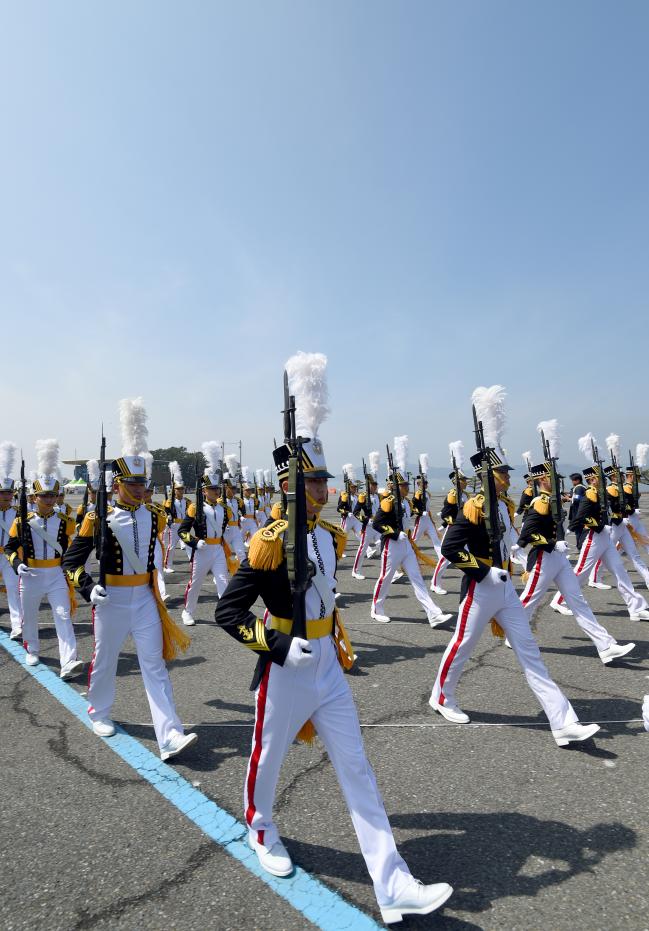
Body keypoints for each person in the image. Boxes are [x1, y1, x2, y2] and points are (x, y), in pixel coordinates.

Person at [214, 351, 453, 924]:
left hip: (327, 662)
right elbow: (228, 610)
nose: (325, 486)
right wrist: (274, 645)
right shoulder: (270, 541)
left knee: (357, 766)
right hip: (287, 661)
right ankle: (261, 826)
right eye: (316, 479)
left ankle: (391, 882)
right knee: (268, 757)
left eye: (324, 478)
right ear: (296, 483)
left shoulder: (324, 536)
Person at [429, 445, 600, 748]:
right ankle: (441, 697)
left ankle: (562, 722)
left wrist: (517, 564)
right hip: (481, 588)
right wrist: (483, 571)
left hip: (505, 587)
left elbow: (508, 543)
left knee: (530, 652)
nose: (508, 477)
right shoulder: (474, 507)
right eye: (501, 473)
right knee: (462, 645)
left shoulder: (503, 506)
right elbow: (450, 548)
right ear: (487, 476)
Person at [62, 398, 196, 762]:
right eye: (132, 483)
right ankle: (99, 712)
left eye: (143, 483)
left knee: (154, 664)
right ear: (117, 484)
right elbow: (71, 562)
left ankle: (169, 735)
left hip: (144, 598)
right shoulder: (98, 517)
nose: (140, 489)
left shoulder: (155, 516)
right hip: (111, 601)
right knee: (104, 660)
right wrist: (88, 588)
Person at [517, 458, 634, 664]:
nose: (556, 481)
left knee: (578, 601)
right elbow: (527, 534)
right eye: (552, 478)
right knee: (528, 599)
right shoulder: (540, 502)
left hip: (558, 558)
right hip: (544, 557)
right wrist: (552, 544)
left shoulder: (551, 499)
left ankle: (605, 646)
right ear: (543, 479)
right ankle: (513, 632)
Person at [6, 439, 83, 679]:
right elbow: (10, 548)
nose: (49, 499)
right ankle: (33, 648)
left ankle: (68, 661)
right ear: (34, 497)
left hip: (56, 575)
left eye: (52, 495)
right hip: (31, 575)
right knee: (29, 615)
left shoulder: (66, 521)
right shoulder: (22, 521)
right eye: (44, 495)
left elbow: (72, 547)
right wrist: (18, 565)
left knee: (63, 615)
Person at [549, 461, 649, 621]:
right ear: (593, 479)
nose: (604, 480)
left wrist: (614, 521)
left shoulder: (600, 493)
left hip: (605, 537)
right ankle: (558, 600)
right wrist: (599, 525)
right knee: (581, 571)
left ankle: (635, 607)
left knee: (620, 571)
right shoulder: (590, 494)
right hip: (594, 537)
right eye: (601, 478)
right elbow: (581, 517)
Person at [371, 446, 452, 627]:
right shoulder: (388, 502)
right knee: (385, 577)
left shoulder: (406, 502)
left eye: (407, 485)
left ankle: (433, 614)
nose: (407, 487)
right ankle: (376, 609)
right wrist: (393, 532)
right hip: (391, 545)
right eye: (404, 485)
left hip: (405, 545)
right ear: (396, 487)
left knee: (417, 579)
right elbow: (377, 524)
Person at [179, 441, 230, 625]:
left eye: (217, 489)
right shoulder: (195, 507)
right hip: (201, 549)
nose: (215, 492)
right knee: (196, 582)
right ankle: (188, 611)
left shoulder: (224, 508)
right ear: (204, 491)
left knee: (223, 580)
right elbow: (182, 531)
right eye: (211, 489)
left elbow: (225, 527)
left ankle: (226, 613)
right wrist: (193, 542)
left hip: (217, 550)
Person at [0, 442, 22, 640]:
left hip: (9, 556)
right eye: (3, 493)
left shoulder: (18, 513)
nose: (6, 496)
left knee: (14, 591)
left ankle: (17, 625)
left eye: (9, 493)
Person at [163, 461, 189, 572]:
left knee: (188, 544)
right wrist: (170, 523)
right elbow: (166, 513)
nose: (181, 491)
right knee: (172, 546)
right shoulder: (169, 501)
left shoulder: (188, 501)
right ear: (174, 490)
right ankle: (167, 566)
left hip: (184, 525)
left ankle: (194, 564)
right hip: (174, 526)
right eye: (178, 489)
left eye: (182, 489)